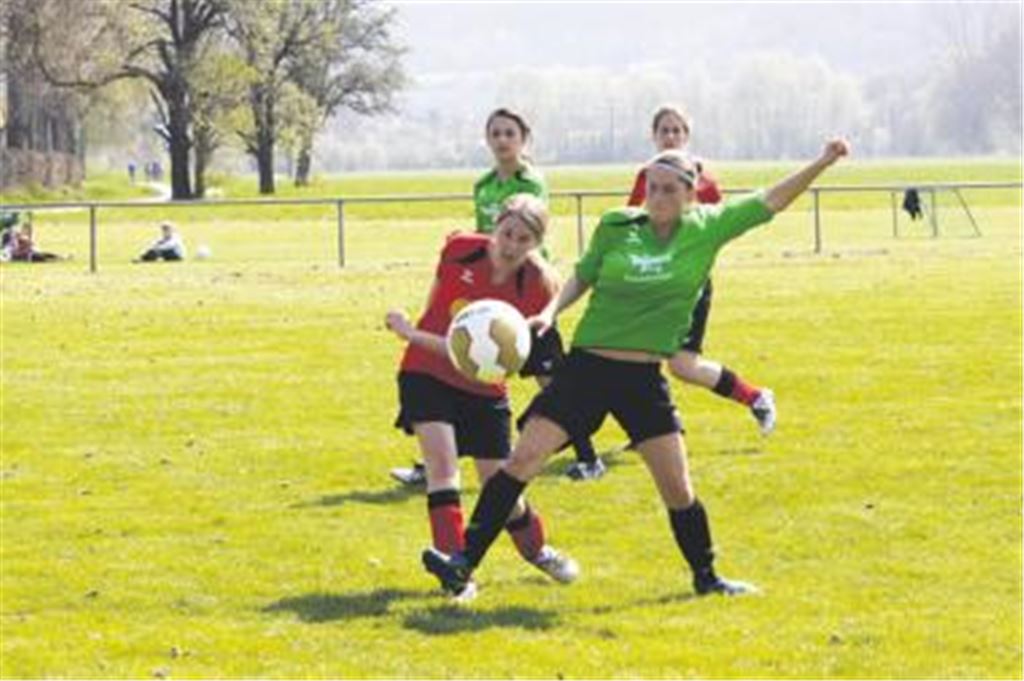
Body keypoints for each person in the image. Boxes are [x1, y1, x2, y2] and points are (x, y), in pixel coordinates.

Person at [423, 138, 851, 600]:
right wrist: (550, 313)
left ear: (690, 195)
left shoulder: (708, 228)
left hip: (643, 381)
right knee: (523, 460)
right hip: (586, 370)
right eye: (652, 187)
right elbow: (584, 274)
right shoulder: (617, 225)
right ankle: (463, 562)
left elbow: (772, 200)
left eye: (669, 189)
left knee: (678, 488)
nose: (658, 197)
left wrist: (822, 162)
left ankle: (707, 579)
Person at [390, 108, 605, 486]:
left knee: (551, 382)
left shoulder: (531, 183)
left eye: (510, 133)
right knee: (462, 369)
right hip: (490, 290)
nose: (502, 140)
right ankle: (435, 465)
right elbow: (483, 237)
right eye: (496, 133)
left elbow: (530, 233)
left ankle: (588, 458)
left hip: (524, 297)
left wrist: (537, 285)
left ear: (523, 140)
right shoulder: (484, 185)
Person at [386, 193, 579, 601]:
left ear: (536, 243)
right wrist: (416, 337)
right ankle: (458, 572)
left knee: (501, 490)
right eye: (507, 233)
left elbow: (517, 355)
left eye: (523, 240)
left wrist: (409, 333)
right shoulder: (459, 250)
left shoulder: (538, 285)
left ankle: (537, 550)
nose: (511, 246)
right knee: (442, 466)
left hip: (484, 388)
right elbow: (436, 305)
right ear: (496, 227)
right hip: (425, 372)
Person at [629, 105, 776, 436]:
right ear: (653, 136)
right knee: (639, 355)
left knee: (682, 364)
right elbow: (630, 220)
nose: (670, 136)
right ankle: (658, 427)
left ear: (687, 136)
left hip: (686, 283)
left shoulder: (703, 178)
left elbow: (719, 224)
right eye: (664, 130)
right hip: (649, 278)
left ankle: (755, 397)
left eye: (676, 130)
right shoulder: (646, 175)